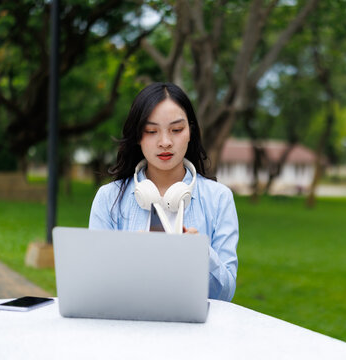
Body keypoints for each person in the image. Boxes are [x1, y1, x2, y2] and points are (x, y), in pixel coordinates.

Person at [89, 82, 238, 302]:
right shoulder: (108, 198)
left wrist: (202, 254)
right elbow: (94, 286)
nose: (165, 142)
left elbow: (225, 295)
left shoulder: (219, 198)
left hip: (195, 332)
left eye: (176, 130)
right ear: (138, 137)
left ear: (190, 132)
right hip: (128, 328)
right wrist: (127, 256)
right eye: (151, 131)